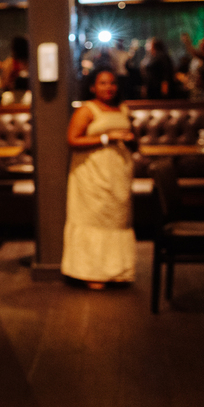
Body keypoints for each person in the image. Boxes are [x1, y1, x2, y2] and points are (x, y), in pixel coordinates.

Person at [62, 69, 137, 289]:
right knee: (93, 218)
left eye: (112, 83)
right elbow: (72, 140)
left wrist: (129, 139)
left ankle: (118, 271)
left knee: (117, 220)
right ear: (93, 87)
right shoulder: (87, 110)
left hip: (118, 173)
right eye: (103, 83)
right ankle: (91, 272)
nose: (109, 87)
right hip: (92, 174)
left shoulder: (123, 108)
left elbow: (133, 138)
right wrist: (106, 137)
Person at [0, 36, 30, 104]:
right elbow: (5, 84)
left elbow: (4, 84)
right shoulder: (11, 63)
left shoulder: (11, 63)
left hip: (24, 96)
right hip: (15, 96)